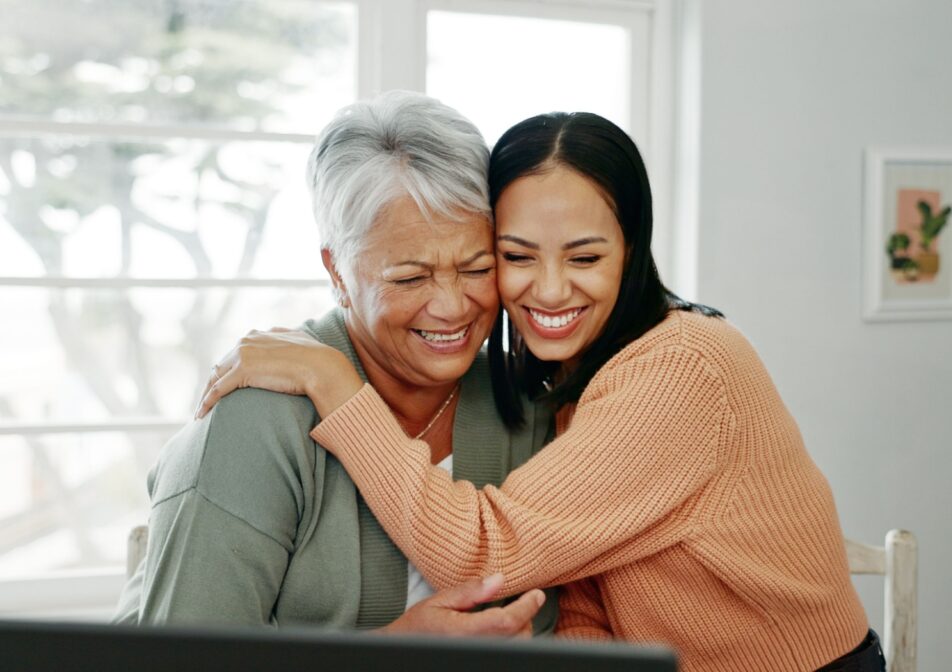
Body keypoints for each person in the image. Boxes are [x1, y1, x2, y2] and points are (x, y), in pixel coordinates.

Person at [199, 112, 882, 671]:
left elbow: (482, 552)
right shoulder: (563, 379)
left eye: (584, 257)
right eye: (518, 256)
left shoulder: (683, 368)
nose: (550, 290)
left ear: (632, 248)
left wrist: (333, 381)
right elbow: (582, 598)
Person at [114, 91, 556, 637]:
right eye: (410, 278)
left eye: (476, 267)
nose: (451, 306)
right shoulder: (253, 423)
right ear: (338, 271)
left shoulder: (530, 404)